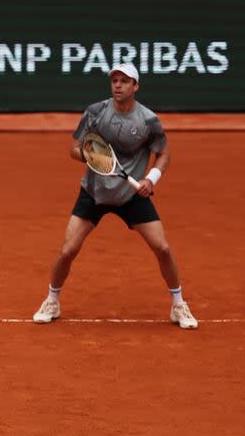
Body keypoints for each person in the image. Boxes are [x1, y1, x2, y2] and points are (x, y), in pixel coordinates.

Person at [32, 63, 198, 329]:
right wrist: (96, 159)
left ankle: (179, 305)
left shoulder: (148, 120)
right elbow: (74, 148)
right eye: (115, 80)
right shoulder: (96, 112)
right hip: (94, 192)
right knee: (67, 250)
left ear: (136, 86)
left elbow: (163, 153)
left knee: (163, 248)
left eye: (124, 81)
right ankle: (52, 300)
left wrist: (150, 179)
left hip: (131, 196)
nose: (118, 85)